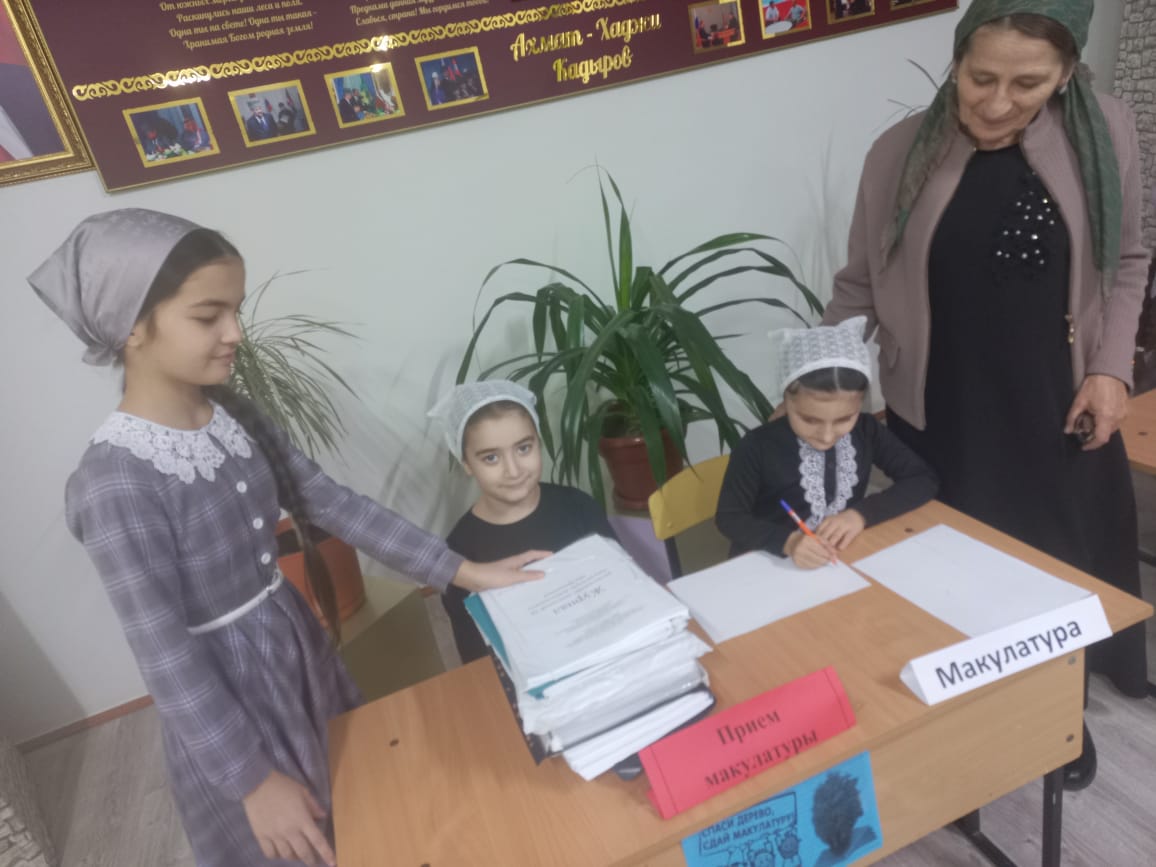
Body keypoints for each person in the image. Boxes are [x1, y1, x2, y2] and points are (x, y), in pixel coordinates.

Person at [27, 209, 547, 867]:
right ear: (131, 325)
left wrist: (465, 570)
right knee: (292, 840)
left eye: (236, 310)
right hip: (231, 702)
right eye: (208, 316)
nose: (235, 333)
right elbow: (166, 657)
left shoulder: (230, 411)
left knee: (359, 801)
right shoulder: (114, 482)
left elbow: (329, 500)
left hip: (297, 648)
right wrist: (251, 780)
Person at [821, 0, 1150, 789]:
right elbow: (858, 287)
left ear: (1065, 75)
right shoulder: (898, 153)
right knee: (959, 569)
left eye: (1027, 84)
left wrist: (1112, 368)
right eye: (980, 78)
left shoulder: (1104, 130)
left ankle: (1056, 710)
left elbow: (1131, 259)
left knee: (1058, 558)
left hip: (1057, 397)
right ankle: (975, 704)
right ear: (957, 60)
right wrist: (823, 377)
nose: (998, 103)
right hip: (944, 405)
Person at [716, 317, 937, 568]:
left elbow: (922, 479)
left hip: (838, 559)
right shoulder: (757, 446)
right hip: (767, 563)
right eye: (809, 420)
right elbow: (729, 517)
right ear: (786, 400)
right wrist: (788, 542)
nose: (827, 436)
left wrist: (860, 515)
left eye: (844, 419)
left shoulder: (866, 430)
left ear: (860, 404)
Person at [428, 380, 618, 664]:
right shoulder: (460, 553)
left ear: (538, 442)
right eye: (491, 458)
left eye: (523, 448)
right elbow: (477, 657)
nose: (513, 470)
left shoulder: (579, 507)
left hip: (608, 648)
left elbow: (622, 584)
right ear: (466, 463)